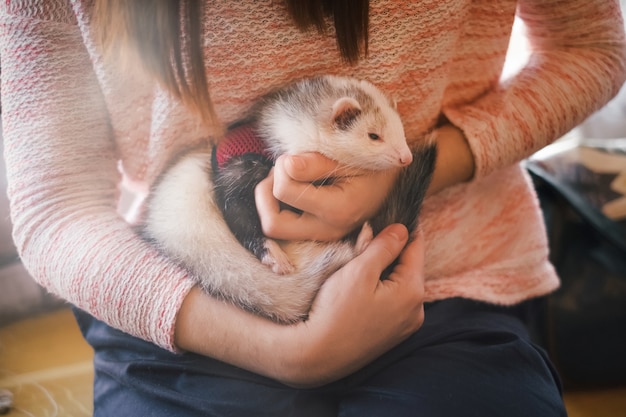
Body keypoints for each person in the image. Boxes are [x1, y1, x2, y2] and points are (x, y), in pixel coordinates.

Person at [1, 0, 624, 415]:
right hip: (185, 296)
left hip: (447, 284)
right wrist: (286, 354)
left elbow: (593, 47)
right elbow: (55, 205)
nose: (401, 157)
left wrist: (419, 174)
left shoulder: (385, 151)